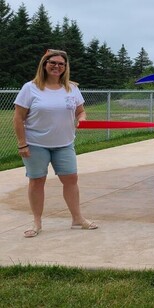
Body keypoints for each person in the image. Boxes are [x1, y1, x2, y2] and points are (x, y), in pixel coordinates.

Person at [13, 49, 98, 238]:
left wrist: (82, 119)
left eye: (61, 64)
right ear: (44, 64)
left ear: (65, 67)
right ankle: (37, 222)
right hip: (36, 144)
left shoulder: (72, 88)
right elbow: (18, 118)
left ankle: (77, 219)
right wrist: (22, 144)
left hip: (64, 144)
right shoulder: (31, 87)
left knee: (71, 180)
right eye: (52, 62)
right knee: (37, 181)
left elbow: (80, 111)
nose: (57, 66)